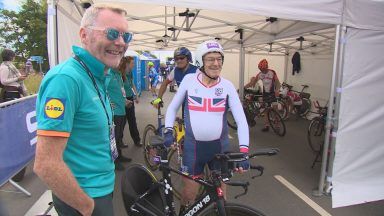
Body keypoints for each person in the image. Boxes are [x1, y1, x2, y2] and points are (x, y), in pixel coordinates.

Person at [33, 3, 131, 216]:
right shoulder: (66, 79)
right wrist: (86, 206)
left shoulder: (95, 73)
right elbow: (46, 163)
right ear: (84, 35)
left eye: (126, 36)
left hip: (100, 188)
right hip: (84, 197)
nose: (121, 43)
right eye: (112, 33)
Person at [163, 40, 250, 209]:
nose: (216, 63)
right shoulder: (189, 80)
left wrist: (244, 151)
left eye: (219, 59)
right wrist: (168, 130)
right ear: (200, 62)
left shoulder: (227, 86)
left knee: (221, 196)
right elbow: (172, 108)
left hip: (220, 148)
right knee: (189, 195)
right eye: (210, 59)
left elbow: (241, 120)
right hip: (193, 148)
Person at [107, 63, 132, 171]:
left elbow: (121, 92)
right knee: (114, 137)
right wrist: (107, 102)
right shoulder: (108, 74)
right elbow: (102, 89)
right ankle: (114, 161)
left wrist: (125, 101)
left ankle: (119, 155)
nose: (119, 64)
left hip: (122, 109)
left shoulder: (118, 75)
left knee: (119, 135)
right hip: (115, 112)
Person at [244, 59, 281, 132]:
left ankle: (277, 125)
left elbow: (278, 83)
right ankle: (266, 125)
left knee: (275, 110)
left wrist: (277, 90)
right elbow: (252, 83)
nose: (262, 71)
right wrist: (243, 87)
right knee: (266, 110)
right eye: (260, 69)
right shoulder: (260, 74)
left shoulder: (272, 72)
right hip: (265, 94)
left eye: (263, 69)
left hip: (273, 94)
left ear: (266, 67)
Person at [120, 56, 142, 147]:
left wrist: (136, 95)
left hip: (130, 97)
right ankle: (119, 141)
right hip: (121, 99)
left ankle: (137, 140)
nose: (133, 65)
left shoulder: (130, 73)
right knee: (122, 122)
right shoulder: (120, 73)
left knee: (132, 120)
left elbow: (132, 84)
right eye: (132, 63)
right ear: (127, 64)